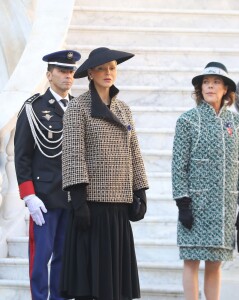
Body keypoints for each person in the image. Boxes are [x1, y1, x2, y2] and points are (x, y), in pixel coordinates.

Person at [60, 47, 149, 300]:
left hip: (118, 208)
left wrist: (140, 193)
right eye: (102, 68)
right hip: (91, 207)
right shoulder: (78, 108)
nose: (108, 73)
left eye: (112, 67)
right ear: (91, 73)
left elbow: (134, 151)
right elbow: (73, 154)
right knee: (91, 287)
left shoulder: (123, 108)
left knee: (116, 288)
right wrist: (78, 203)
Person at [172, 62, 239, 300]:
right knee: (192, 260)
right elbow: (178, 165)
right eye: (206, 82)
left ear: (225, 89)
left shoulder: (237, 124)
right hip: (196, 205)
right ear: (200, 88)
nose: (210, 86)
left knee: (215, 263)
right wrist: (183, 203)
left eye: (216, 82)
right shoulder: (188, 120)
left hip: (224, 207)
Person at [14, 49, 81, 300]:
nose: (68, 76)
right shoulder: (34, 109)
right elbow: (21, 156)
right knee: (40, 259)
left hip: (72, 198)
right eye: (62, 70)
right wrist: (29, 196)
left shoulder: (78, 107)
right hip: (43, 199)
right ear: (49, 74)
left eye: (71, 71)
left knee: (65, 260)